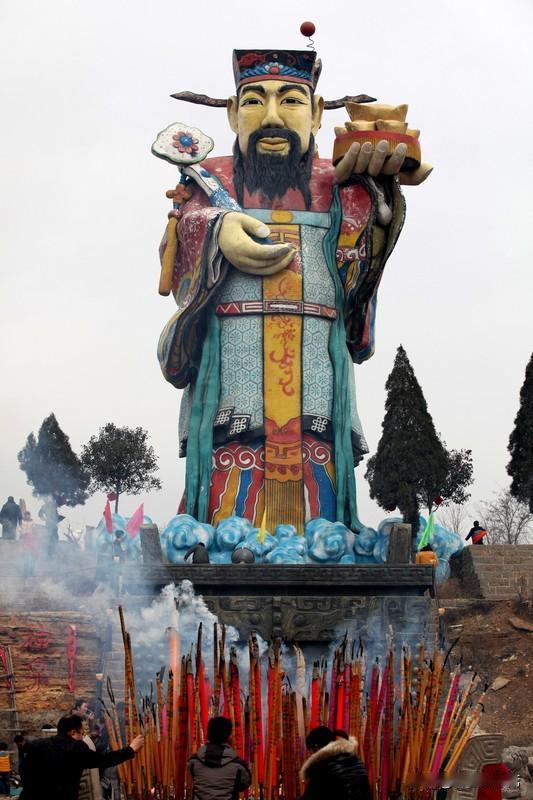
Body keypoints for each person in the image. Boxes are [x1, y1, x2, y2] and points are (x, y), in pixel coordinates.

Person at [158, 44, 430, 534]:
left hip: (315, 363)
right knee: (234, 458)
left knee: (317, 455)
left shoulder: (343, 182)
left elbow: (360, 271)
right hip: (235, 363)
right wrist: (215, 230)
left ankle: (327, 542)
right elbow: (179, 244)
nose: (271, 117)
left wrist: (381, 200)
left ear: (319, 112)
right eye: (255, 101)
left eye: (290, 101)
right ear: (233, 113)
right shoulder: (207, 180)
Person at [19, 714, 144, 800]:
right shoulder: (76, 748)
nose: (83, 737)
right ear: (73, 733)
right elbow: (104, 759)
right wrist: (131, 749)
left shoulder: (38, 744)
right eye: (81, 733)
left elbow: (23, 770)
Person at [300, 725, 371, 800]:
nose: (311, 756)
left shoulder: (321, 768)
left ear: (317, 747)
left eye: (311, 752)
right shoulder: (356, 761)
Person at [188, 716, 251, 800]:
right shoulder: (238, 766)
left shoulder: (194, 761)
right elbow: (244, 784)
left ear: (208, 734)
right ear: (229, 736)